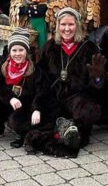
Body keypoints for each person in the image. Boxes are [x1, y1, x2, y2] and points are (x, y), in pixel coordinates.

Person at [34, 8, 104, 146]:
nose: (67, 29)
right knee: (28, 122)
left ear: (77, 25)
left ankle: (72, 129)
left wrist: (97, 78)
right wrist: (38, 106)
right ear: (58, 26)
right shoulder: (49, 47)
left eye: (71, 24)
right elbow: (41, 79)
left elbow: (97, 87)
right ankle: (64, 125)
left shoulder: (89, 47)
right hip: (54, 97)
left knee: (88, 111)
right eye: (63, 24)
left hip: (78, 98)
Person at [0, 30, 42, 147]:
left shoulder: (35, 70)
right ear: (9, 51)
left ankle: (21, 129)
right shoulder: (2, 67)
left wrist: (37, 109)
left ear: (26, 51)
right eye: (14, 50)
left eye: (21, 50)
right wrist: (10, 98)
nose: (18, 54)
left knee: (16, 123)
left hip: (24, 105)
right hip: (6, 101)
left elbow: (41, 91)